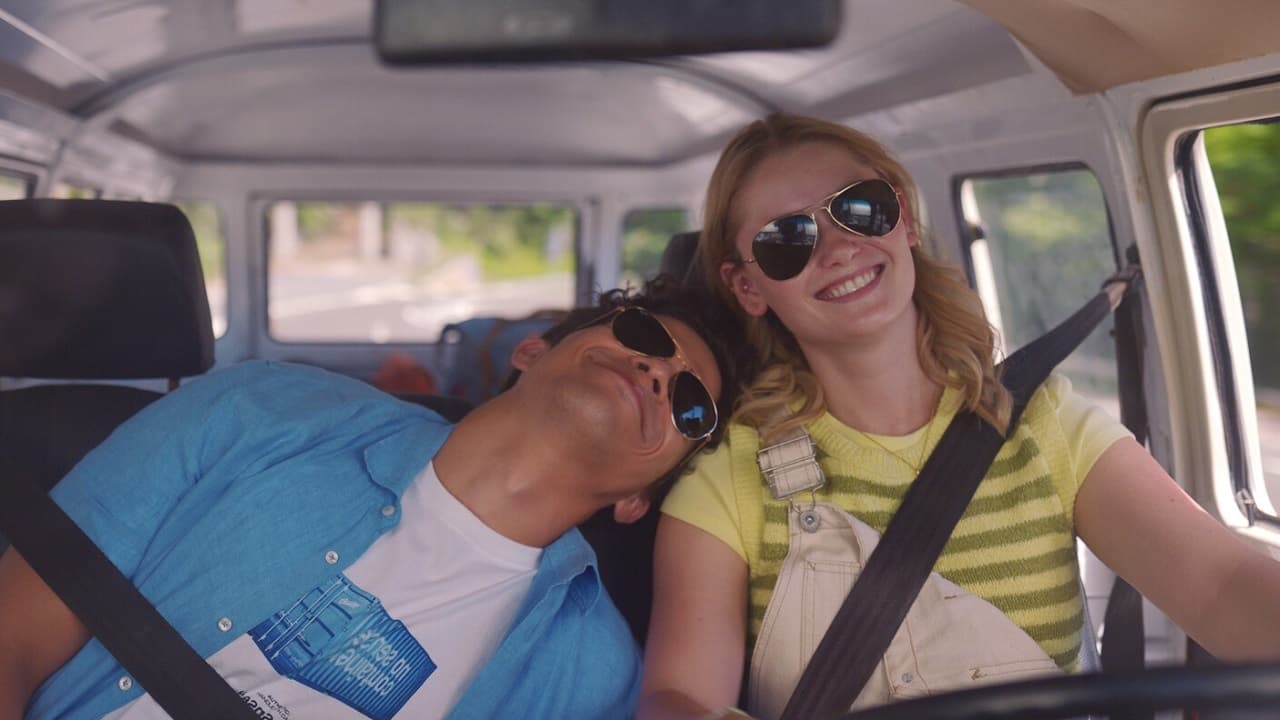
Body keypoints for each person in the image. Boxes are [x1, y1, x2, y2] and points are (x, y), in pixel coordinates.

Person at [637, 113, 1280, 720]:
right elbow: (677, 696)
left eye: (861, 208)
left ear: (904, 220)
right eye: (787, 241)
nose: (838, 248)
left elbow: (1220, 583)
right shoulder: (730, 479)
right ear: (749, 287)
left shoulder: (1044, 422)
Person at [0, 277, 736, 720]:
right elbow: (12, 638)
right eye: (642, 334)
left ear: (639, 500)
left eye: (690, 404)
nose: (658, 370)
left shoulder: (593, 672)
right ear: (532, 350)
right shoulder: (259, 410)